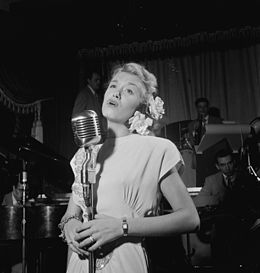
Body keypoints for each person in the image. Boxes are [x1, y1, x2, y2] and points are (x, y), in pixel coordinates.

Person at [59, 62, 200, 273]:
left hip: (125, 263)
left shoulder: (156, 149)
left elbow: (190, 219)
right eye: (113, 86)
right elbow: (71, 214)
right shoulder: (85, 152)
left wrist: (121, 227)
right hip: (79, 263)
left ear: (141, 108)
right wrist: (69, 226)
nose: (116, 93)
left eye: (129, 90)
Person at [193, 148, 260, 273]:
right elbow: (198, 201)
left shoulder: (246, 178)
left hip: (243, 229)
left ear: (234, 162)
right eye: (223, 165)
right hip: (220, 231)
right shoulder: (211, 180)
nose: (227, 168)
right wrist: (219, 198)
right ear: (217, 166)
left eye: (229, 163)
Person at [72, 67, 106, 134]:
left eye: (99, 80)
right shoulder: (83, 95)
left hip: (100, 134)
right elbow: (76, 117)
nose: (98, 82)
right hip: (90, 136)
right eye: (96, 80)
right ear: (89, 80)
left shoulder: (97, 95)